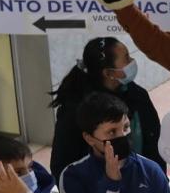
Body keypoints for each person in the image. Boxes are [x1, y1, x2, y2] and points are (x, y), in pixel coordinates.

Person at [50, 37, 163, 178]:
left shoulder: (137, 95)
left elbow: (154, 140)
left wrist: (158, 178)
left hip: (141, 180)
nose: (132, 62)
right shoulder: (76, 110)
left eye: (126, 127)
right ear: (109, 73)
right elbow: (61, 164)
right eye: (126, 58)